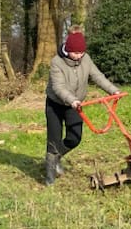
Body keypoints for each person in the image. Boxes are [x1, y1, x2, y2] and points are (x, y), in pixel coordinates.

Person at [44, 26, 120, 185]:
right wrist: (71, 100)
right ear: (68, 49)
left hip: (75, 104)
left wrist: (114, 91)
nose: (79, 56)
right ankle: (49, 178)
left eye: (81, 53)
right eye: (76, 53)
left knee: (75, 138)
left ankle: (57, 158)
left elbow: (97, 76)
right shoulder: (56, 62)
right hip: (56, 104)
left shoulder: (86, 59)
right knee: (53, 141)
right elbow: (58, 87)